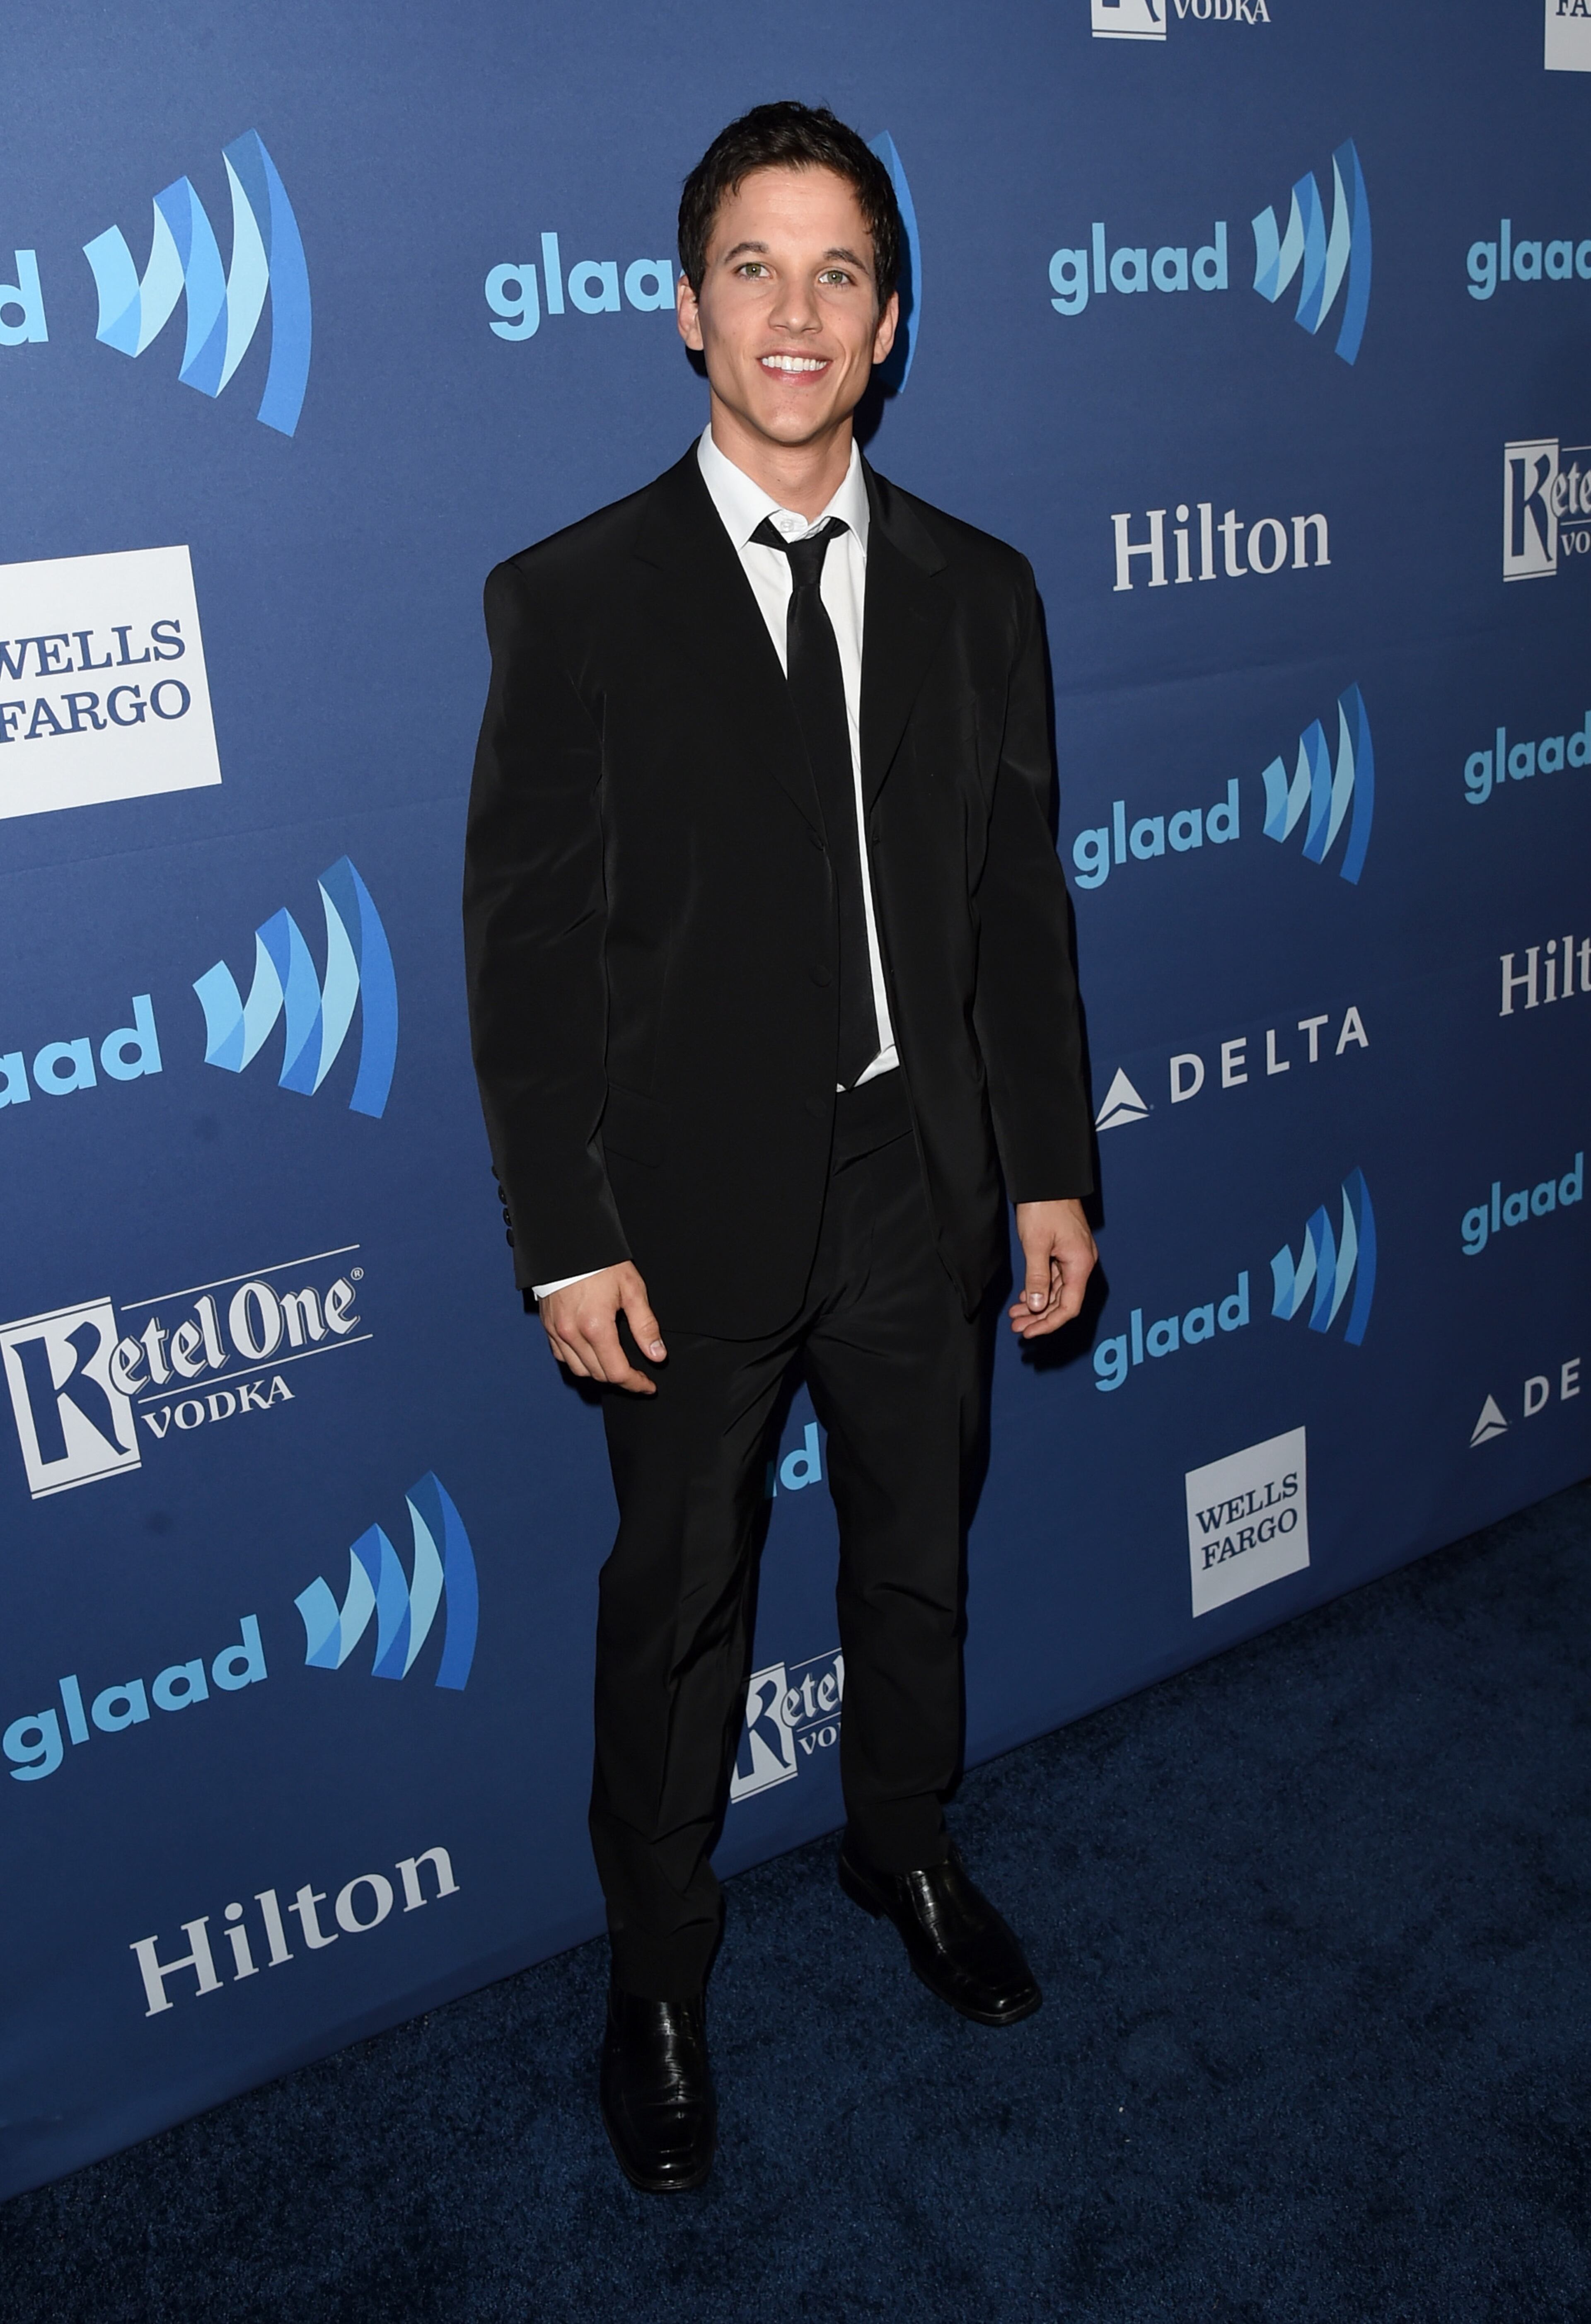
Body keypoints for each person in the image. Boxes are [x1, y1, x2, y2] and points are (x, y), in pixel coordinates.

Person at [464, 101, 1096, 2195]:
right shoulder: (573, 603)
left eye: (840, 272)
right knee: (675, 1618)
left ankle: (902, 1850)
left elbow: (1018, 908)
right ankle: (655, 1971)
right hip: (688, 1213)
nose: (797, 310)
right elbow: (530, 951)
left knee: (917, 1561)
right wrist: (567, 1235)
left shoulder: (980, 591)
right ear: (683, 309)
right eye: (756, 267)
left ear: (893, 321)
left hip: (922, 1192)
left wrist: (1051, 1166)